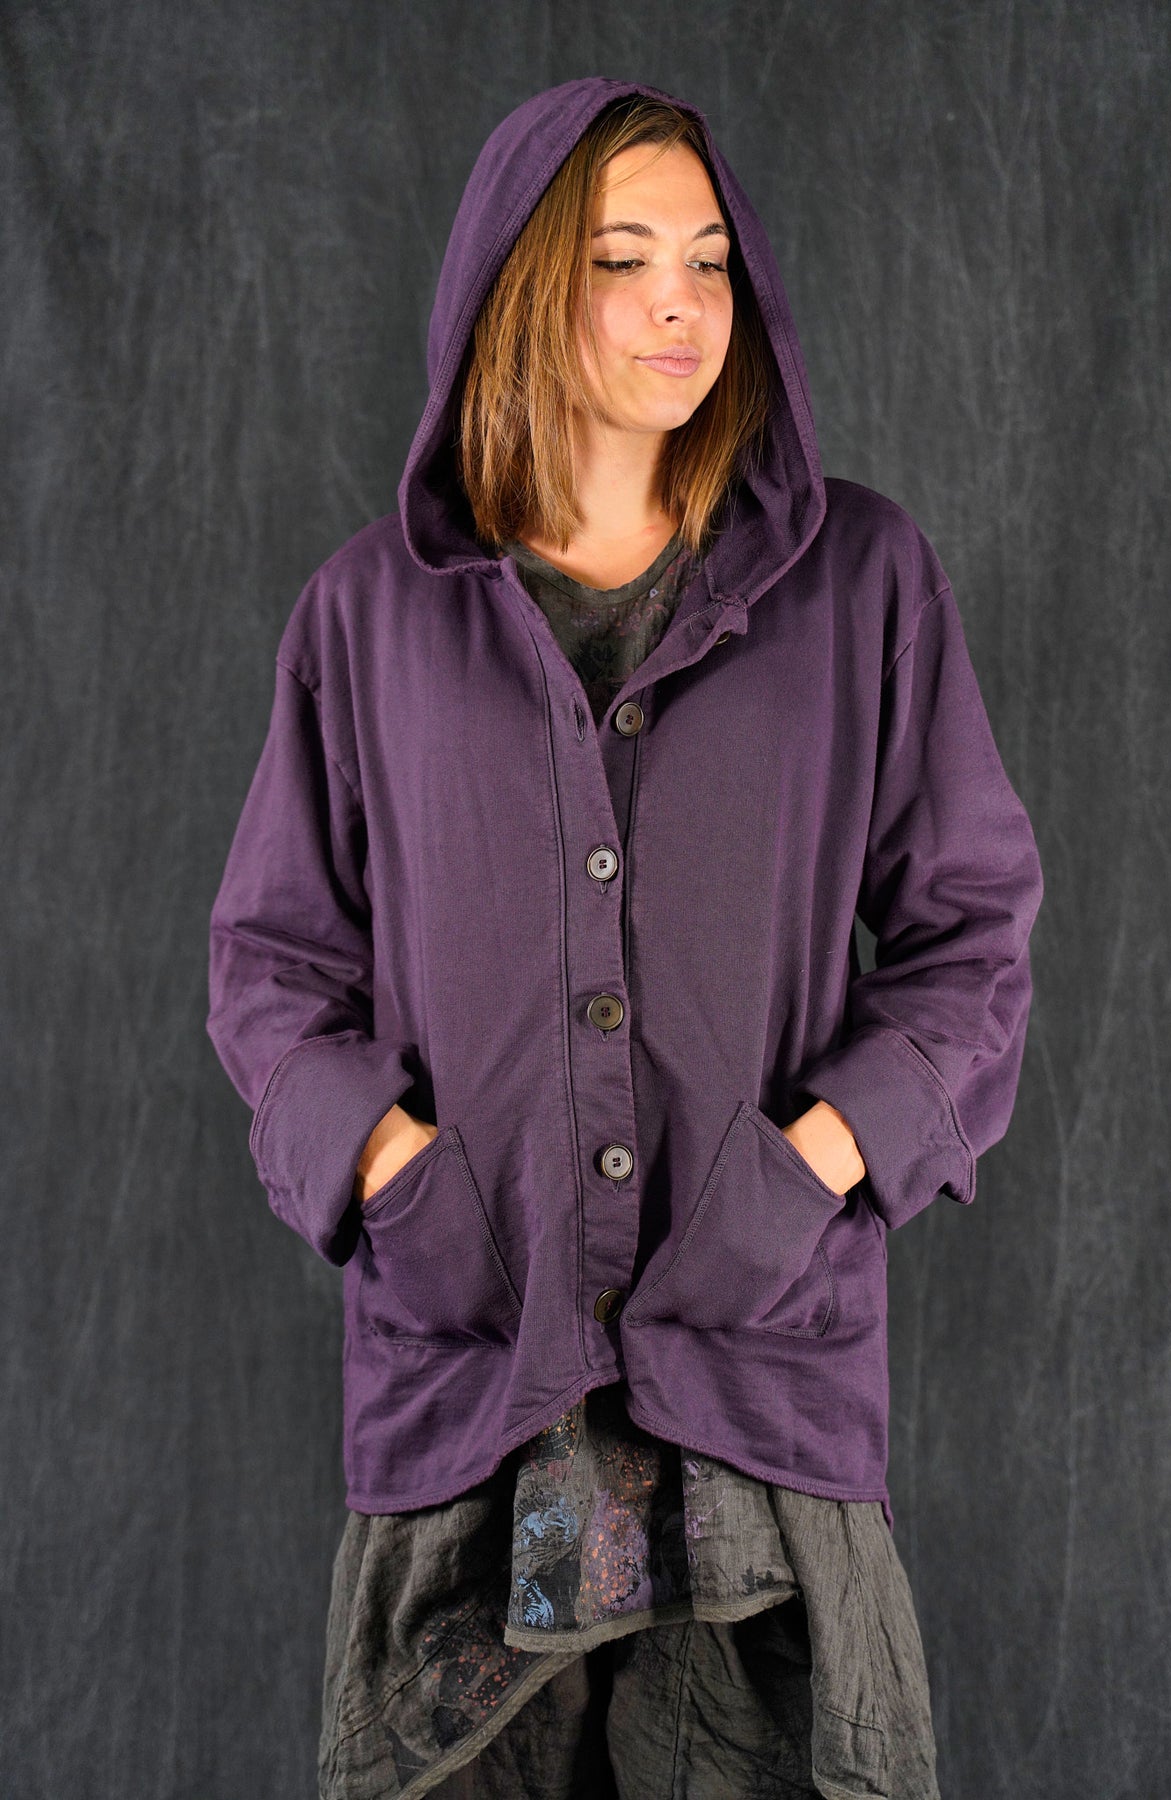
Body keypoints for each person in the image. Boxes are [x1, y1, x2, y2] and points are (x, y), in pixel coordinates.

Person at [206, 77, 1044, 1799]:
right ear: (522, 284)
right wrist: (395, 1175)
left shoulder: (861, 585)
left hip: (761, 1414)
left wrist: (808, 1173)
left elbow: (974, 937)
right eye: (624, 259)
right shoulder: (370, 616)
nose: (682, 304)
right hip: (471, 1408)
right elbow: (271, 967)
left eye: (711, 260)